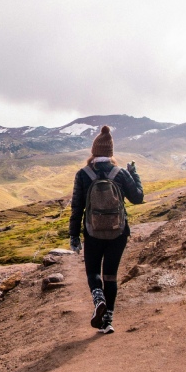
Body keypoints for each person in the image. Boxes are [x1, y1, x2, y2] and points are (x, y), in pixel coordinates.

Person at [69, 126, 144, 334]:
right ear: (111, 152)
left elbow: (77, 207)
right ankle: (107, 321)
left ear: (94, 151)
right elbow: (138, 198)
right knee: (110, 276)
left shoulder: (83, 174)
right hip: (118, 233)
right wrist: (134, 174)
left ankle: (98, 298)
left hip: (93, 234)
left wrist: (74, 236)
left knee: (93, 272)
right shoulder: (119, 173)